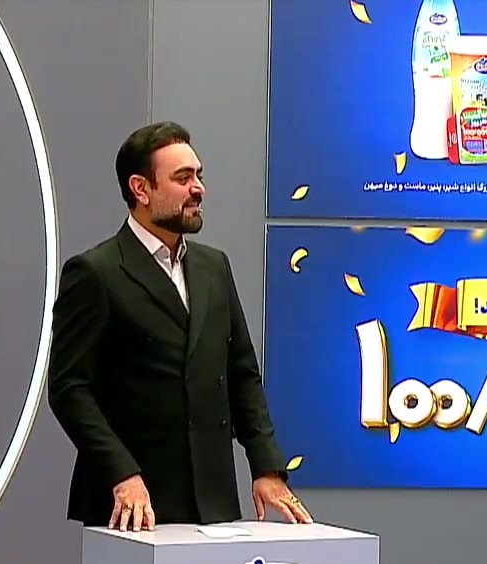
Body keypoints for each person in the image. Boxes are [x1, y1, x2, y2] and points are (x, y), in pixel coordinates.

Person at [47, 120, 314, 532]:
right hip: (132, 506)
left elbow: (241, 374)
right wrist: (122, 473)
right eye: (183, 178)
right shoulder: (95, 273)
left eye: (199, 176)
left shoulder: (213, 267)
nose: (198, 189)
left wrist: (266, 467)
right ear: (141, 189)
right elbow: (69, 389)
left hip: (213, 500)